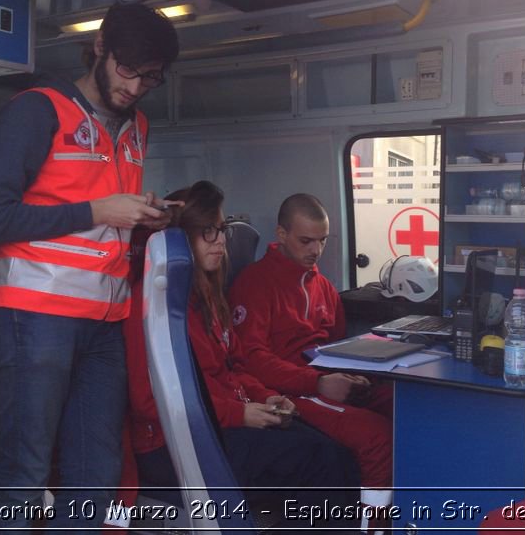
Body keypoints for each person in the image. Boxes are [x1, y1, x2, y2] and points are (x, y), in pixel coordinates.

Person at [0, 3, 179, 530]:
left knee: (97, 470)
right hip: (34, 314)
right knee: (26, 467)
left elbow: (101, 224)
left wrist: (142, 220)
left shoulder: (138, 126)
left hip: (105, 320)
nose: (135, 86)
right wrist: (99, 210)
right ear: (100, 50)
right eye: (127, 69)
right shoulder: (36, 110)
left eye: (150, 77)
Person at [123, 181, 360, 529]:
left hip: (221, 422)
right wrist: (240, 414)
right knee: (317, 461)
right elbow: (150, 402)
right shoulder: (150, 307)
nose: (220, 242)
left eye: (220, 231)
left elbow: (235, 367)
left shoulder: (208, 299)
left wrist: (267, 397)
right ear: (179, 239)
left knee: (338, 453)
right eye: (208, 233)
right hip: (169, 445)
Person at [228, 193, 394, 532]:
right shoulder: (255, 284)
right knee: (377, 436)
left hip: (327, 379)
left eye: (322, 241)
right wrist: (317, 383)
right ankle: (374, 526)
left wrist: (352, 375)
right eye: (306, 241)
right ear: (281, 234)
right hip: (290, 390)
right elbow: (251, 359)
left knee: (405, 405)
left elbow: (336, 345)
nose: (315, 250)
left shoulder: (325, 288)